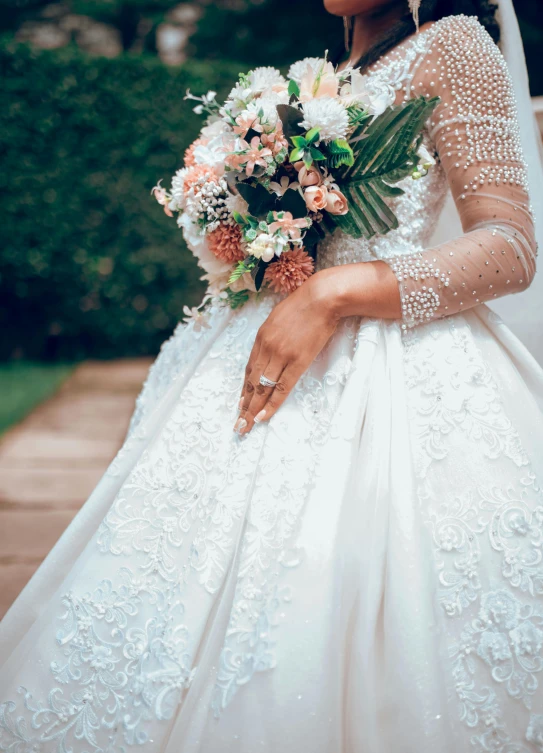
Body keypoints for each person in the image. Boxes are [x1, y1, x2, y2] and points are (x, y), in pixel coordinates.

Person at [1, 0, 542, 750]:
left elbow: (510, 247)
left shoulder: (451, 46)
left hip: (387, 381)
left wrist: (332, 291)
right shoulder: (333, 72)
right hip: (255, 356)